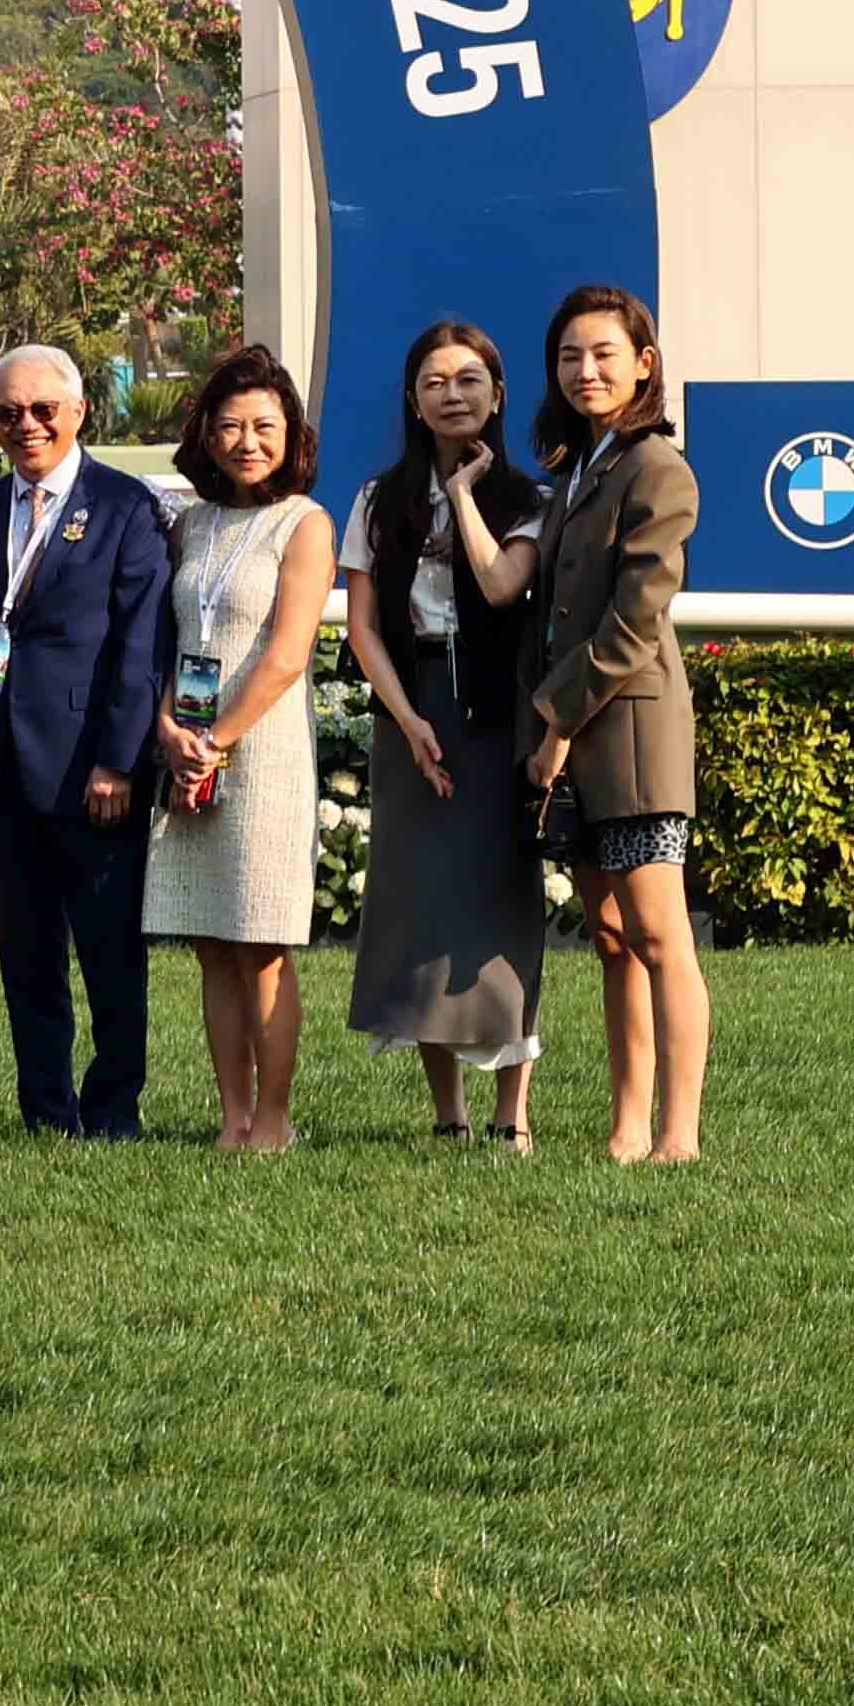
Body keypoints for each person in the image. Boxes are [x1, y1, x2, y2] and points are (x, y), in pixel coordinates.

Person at [0, 344, 181, 1141]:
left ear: (79, 411)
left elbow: (139, 645)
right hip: (7, 767)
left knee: (110, 956)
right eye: (8, 414)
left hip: (93, 766)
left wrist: (118, 762)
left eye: (43, 410)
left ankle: (114, 1108)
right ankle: (46, 1109)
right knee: (27, 956)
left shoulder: (125, 506)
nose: (27, 426)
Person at [341, 321, 549, 1150]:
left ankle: (511, 1114)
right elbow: (362, 628)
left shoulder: (529, 499)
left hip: (497, 713)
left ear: (497, 395)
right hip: (411, 707)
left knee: (501, 902)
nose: (452, 394)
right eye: (434, 381)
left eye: (469, 380)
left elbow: (503, 591)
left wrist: (463, 495)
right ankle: (448, 1115)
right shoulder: (374, 498)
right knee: (420, 904)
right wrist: (407, 717)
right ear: (412, 400)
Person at [526, 284, 710, 1166]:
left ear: (644, 363)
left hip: (629, 735)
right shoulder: (584, 464)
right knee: (609, 939)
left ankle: (679, 1134)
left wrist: (556, 719)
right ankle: (627, 1128)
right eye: (569, 356)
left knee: (659, 935)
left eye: (603, 354)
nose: (584, 370)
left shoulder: (656, 469)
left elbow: (636, 621)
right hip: (582, 734)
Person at [147, 345, 339, 1155]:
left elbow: (289, 653)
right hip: (188, 741)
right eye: (229, 424)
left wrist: (218, 741)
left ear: (291, 434)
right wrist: (169, 730)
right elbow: (170, 638)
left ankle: (275, 1119)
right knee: (210, 942)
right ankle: (231, 1116)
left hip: (260, 756)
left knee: (260, 942)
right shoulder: (190, 522)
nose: (246, 440)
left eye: (264, 425)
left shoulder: (304, 522)